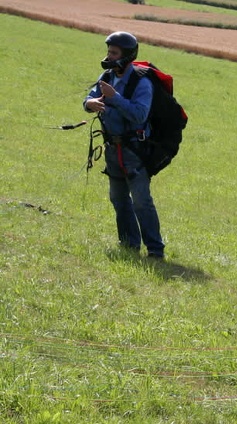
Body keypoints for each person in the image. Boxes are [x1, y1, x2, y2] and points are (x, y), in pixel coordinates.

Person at [83, 31, 165, 259]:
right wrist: (90, 102)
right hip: (112, 148)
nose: (109, 56)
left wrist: (115, 98)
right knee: (118, 198)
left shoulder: (142, 83)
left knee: (141, 201)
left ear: (127, 55)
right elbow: (89, 99)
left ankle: (155, 250)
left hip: (134, 152)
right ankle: (129, 244)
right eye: (108, 51)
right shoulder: (107, 76)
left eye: (114, 53)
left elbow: (139, 115)